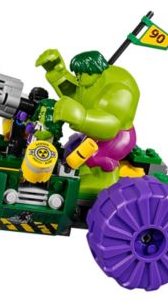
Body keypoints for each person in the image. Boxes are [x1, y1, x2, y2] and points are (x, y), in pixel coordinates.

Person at [36, 49, 140, 194]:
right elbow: (75, 94)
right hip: (96, 136)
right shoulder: (90, 83)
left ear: (94, 72)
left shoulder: (119, 91)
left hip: (118, 138)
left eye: (81, 74)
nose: (78, 78)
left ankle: (106, 178)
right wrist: (57, 73)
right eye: (77, 74)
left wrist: (82, 118)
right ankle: (86, 171)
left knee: (94, 155)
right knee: (77, 153)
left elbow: (111, 126)